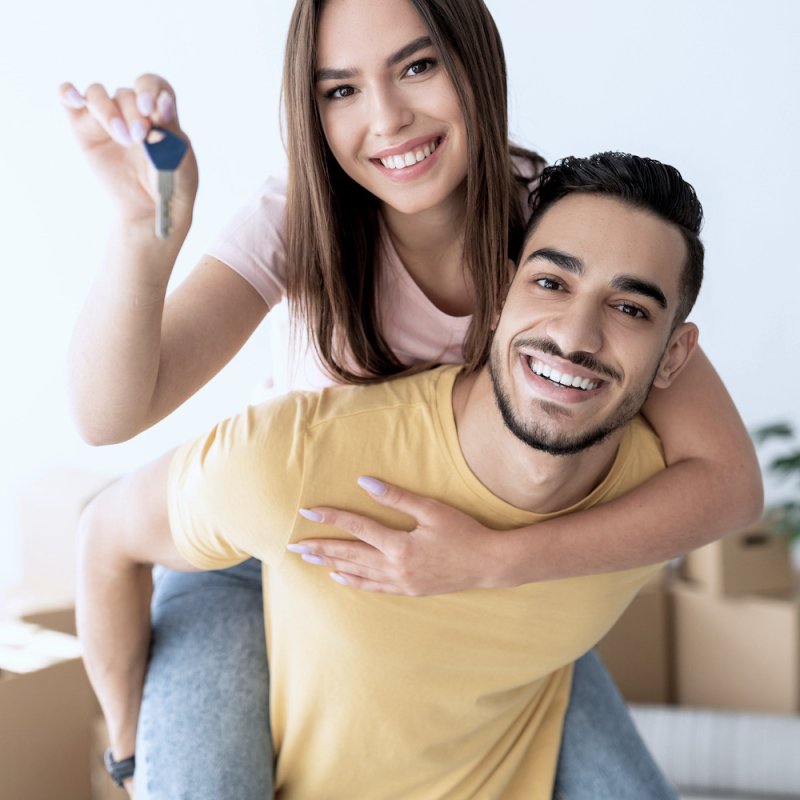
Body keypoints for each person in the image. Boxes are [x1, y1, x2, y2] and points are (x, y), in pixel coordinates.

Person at [61, 0, 761, 796]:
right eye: (340, 90)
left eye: (418, 67)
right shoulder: (299, 220)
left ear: (477, 64)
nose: (388, 119)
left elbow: (727, 483)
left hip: (479, 575)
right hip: (276, 562)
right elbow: (107, 416)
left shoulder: (555, 236)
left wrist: (496, 562)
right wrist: (142, 229)